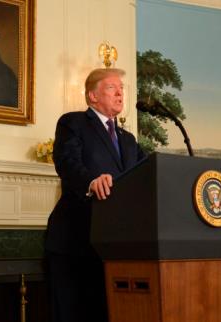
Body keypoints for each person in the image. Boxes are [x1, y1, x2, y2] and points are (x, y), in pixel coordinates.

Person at [44, 68, 146, 322]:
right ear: (92, 96)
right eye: (112, 87)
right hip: (75, 241)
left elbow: (145, 175)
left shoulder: (129, 140)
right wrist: (90, 181)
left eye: (122, 87)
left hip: (113, 246)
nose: (120, 92)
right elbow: (66, 162)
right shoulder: (73, 123)